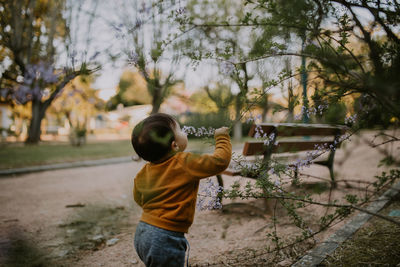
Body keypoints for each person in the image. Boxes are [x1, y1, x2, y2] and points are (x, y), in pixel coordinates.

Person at [131, 113, 232, 267]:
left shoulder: (143, 173)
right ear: (174, 145)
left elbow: (139, 198)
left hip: (142, 232)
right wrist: (222, 137)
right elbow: (219, 162)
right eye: (180, 130)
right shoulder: (184, 162)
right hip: (165, 238)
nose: (184, 132)